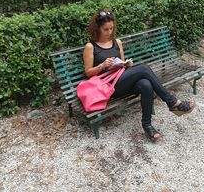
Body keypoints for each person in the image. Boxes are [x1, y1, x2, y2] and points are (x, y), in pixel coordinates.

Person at [82, 9, 195, 141]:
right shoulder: (91, 47)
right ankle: (172, 102)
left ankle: (147, 125)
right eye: (106, 29)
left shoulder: (117, 43)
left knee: (145, 84)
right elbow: (88, 72)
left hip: (122, 80)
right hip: (108, 87)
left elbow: (122, 65)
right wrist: (102, 65)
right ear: (98, 28)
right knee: (144, 69)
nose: (109, 32)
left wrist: (126, 65)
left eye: (111, 28)